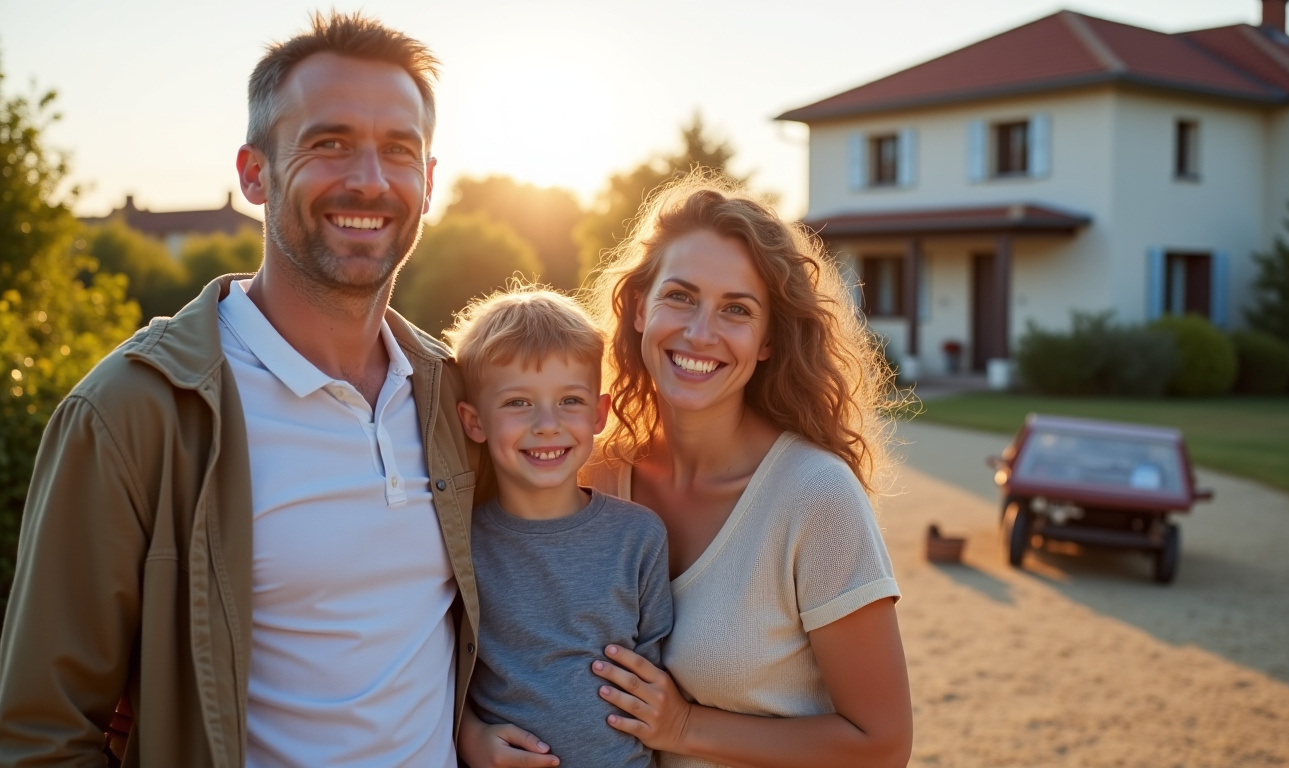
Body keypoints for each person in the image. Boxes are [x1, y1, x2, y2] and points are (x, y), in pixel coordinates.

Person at [0, 13, 483, 767]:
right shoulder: (132, 413)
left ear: (428, 180)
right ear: (254, 172)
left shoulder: (452, 394)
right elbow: (40, 733)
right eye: (329, 143)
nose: (369, 179)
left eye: (399, 150)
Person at [578, 174, 914, 767]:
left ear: (765, 341)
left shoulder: (814, 496)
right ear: (637, 308)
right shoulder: (591, 477)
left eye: (736, 310)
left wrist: (684, 727)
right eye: (680, 296)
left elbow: (883, 745)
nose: (700, 333)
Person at [448, 287, 674, 768]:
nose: (547, 424)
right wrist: (470, 737)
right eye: (517, 403)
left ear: (598, 414)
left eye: (569, 400)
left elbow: (657, 681)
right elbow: (439, 670)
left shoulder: (639, 538)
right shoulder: (458, 543)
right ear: (474, 422)